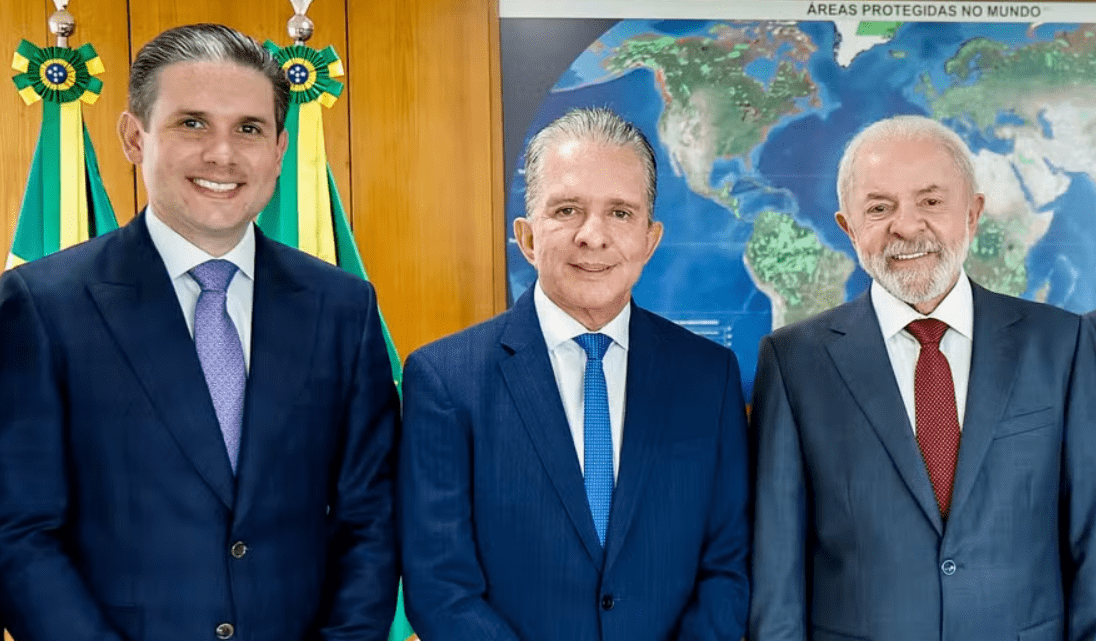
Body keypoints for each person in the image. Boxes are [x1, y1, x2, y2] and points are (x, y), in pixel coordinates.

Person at [0, 23, 399, 641]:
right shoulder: (43, 305)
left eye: (249, 129)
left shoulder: (342, 306)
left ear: (280, 149)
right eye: (192, 123)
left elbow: (370, 518)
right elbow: (19, 530)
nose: (222, 154)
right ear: (135, 137)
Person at [398, 107, 750, 640]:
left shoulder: (710, 378)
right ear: (527, 237)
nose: (593, 235)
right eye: (567, 210)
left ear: (650, 239)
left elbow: (727, 567)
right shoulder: (446, 380)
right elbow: (440, 587)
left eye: (620, 213)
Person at [749, 114, 1096, 641]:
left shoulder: (1062, 344)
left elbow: (1091, 539)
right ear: (848, 228)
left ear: (973, 214)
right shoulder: (793, 361)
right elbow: (777, 574)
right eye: (879, 208)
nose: (907, 227)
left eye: (931, 201)